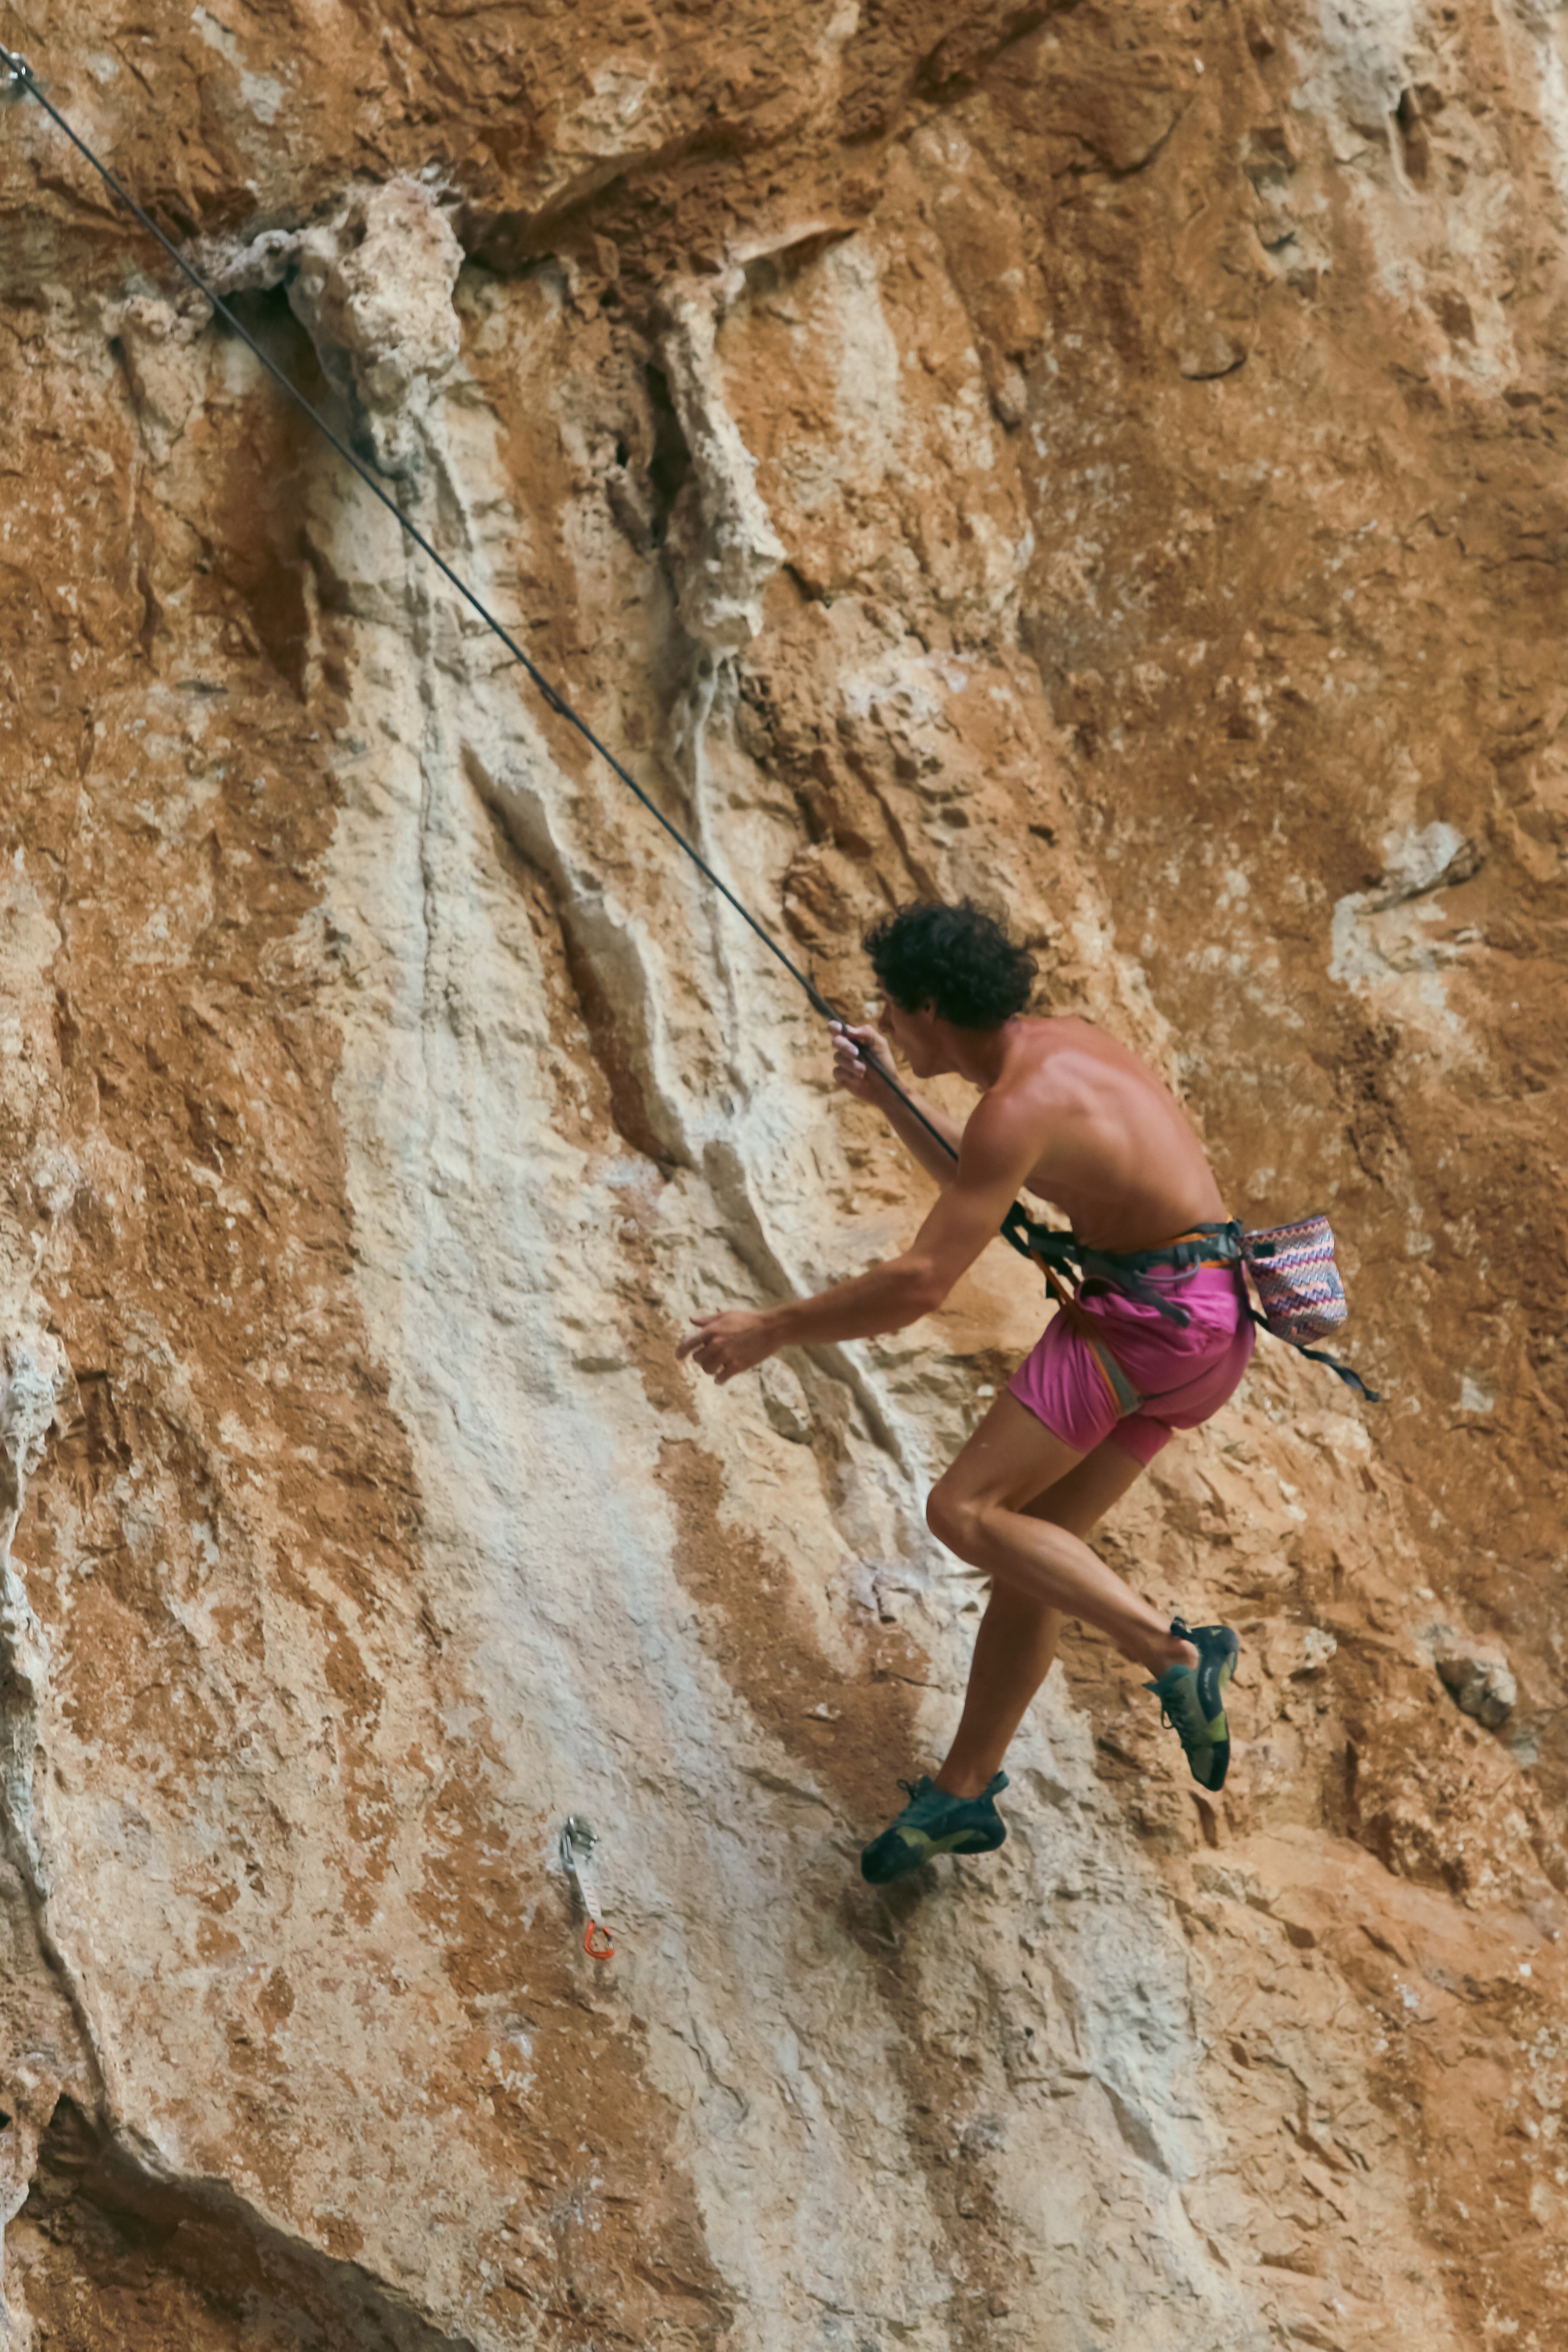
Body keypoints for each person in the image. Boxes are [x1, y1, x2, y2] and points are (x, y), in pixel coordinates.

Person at [677, 900, 1253, 1884]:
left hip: (1144, 1324)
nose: (887, 1023)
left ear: (931, 1004)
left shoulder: (1014, 1106)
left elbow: (920, 1284)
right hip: (1215, 1324)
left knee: (964, 1509)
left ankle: (1171, 1656)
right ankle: (962, 1791)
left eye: (893, 1012)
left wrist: (771, 1328)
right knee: (1036, 1550)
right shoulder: (1063, 1051)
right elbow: (995, 1167)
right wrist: (892, 1094)